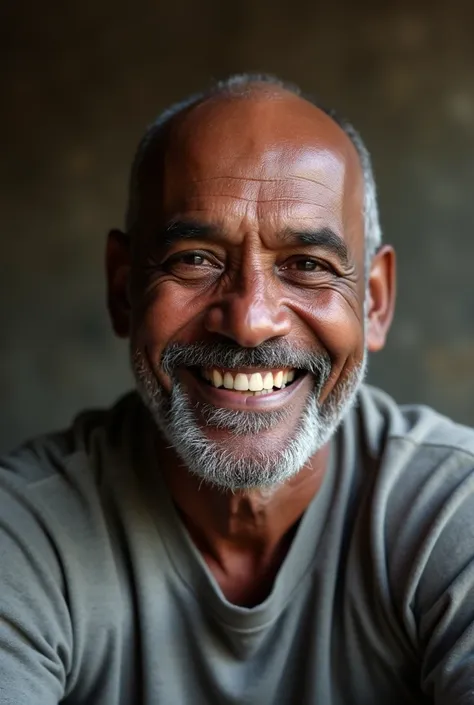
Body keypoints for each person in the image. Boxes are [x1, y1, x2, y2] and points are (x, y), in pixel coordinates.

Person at [1, 73, 473, 705]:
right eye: (195, 257)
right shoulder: (25, 537)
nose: (251, 321)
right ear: (123, 290)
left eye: (307, 265)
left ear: (376, 301)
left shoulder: (452, 515)